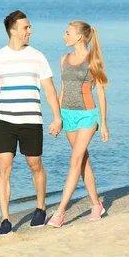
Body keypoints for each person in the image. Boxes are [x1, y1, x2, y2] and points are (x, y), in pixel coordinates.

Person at [0, 10, 62, 235]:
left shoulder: (38, 56)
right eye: (26, 27)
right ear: (13, 30)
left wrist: (56, 117)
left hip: (31, 120)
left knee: (35, 165)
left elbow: (49, 89)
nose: (30, 31)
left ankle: (40, 208)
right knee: (3, 168)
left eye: (29, 27)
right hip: (5, 120)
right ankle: (5, 220)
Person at [47, 20, 109, 228]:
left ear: (79, 37)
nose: (64, 36)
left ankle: (60, 211)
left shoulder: (93, 60)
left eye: (67, 33)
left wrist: (104, 122)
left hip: (87, 116)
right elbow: (62, 90)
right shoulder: (64, 59)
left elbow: (100, 91)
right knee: (83, 161)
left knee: (75, 159)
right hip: (68, 115)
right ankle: (96, 205)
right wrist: (57, 118)